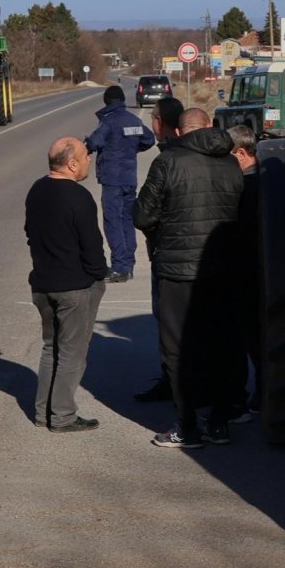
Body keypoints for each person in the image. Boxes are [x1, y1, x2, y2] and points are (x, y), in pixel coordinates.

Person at [134, 108, 244, 449]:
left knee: (178, 349)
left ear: (179, 133)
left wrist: (164, 230)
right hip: (223, 267)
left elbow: (142, 215)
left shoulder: (168, 162)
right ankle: (220, 423)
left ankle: (187, 427)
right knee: (221, 345)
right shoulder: (230, 163)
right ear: (209, 126)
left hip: (178, 270)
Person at [23, 137, 109, 433]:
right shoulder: (78, 196)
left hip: (42, 284)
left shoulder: (37, 190)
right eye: (86, 156)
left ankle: (42, 412)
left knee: (51, 348)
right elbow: (92, 245)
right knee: (72, 352)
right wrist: (99, 276)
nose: (89, 160)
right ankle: (62, 416)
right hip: (74, 287)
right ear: (72, 164)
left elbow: (30, 233)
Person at [132, 92, 189, 403]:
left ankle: (174, 384)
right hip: (205, 256)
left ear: (159, 124)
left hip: (168, 255)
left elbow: (144, 214)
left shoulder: (165, 161)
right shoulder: (209, 155)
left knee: (169, 326)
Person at [84, 85, 155, 284]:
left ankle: (119, 268)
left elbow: (93, 144)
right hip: (129, 179)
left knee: (113, 222)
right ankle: (128, 266)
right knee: (127, 221)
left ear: (107, 101)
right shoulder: (134, 120)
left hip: (112, 180)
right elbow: (149, 140)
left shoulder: (108, 122)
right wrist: (131, 150)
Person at [217, 123, 261, 424]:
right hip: (258, 272)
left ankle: (252, 398)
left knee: (249, 338)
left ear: (241, 153)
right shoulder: (269, 179)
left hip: (249, 274)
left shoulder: (248, 188)